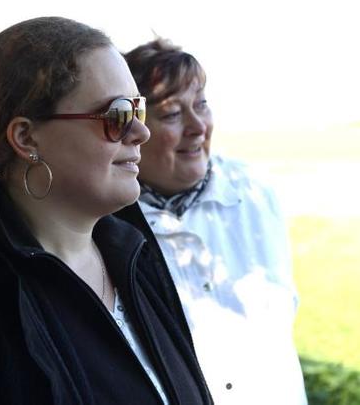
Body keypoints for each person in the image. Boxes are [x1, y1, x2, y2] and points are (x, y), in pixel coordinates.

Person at [0, 17, 213, 405]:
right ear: (26, 138)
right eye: (117, 116)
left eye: (138, 110)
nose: (141, 133)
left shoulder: (132, 250)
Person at [119, 38, 307, 404]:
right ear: (132, 129)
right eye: (172, 114)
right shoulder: (109, 226)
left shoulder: (254, 193)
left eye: (201, 105)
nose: (197, 127)